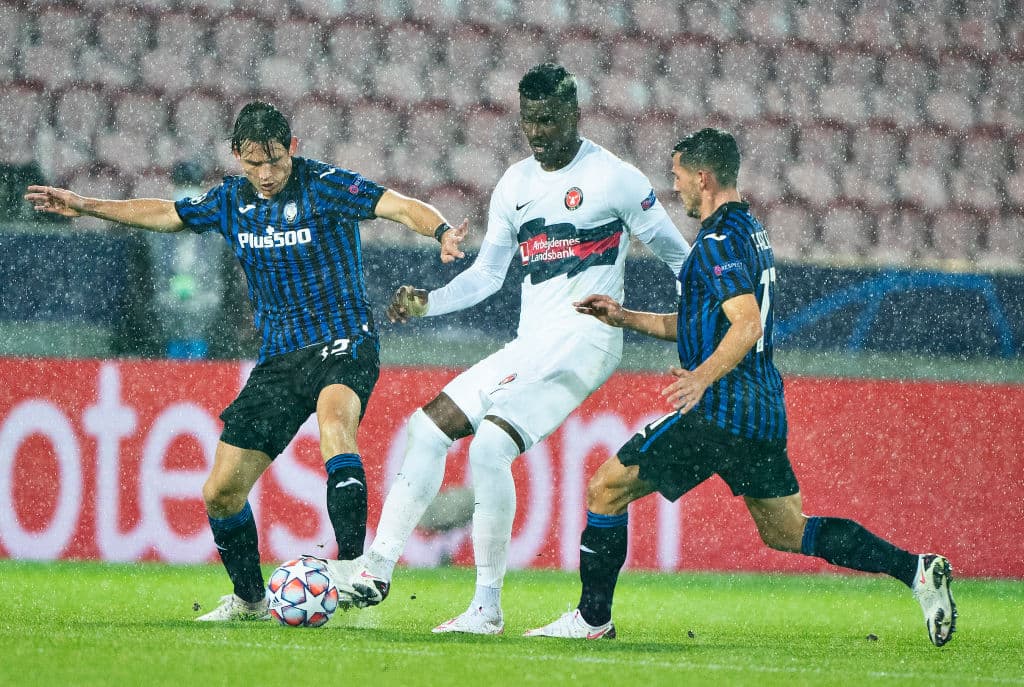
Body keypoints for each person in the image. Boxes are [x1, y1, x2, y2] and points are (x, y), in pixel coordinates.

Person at [25, 101, 468, 622]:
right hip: (280, 359)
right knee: (220, 492)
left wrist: (440, 233)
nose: (266, 174)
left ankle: (353, 569)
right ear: (238, 156)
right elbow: (167, 214)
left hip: (343, 342)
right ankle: (249, 601)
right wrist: (86, 204)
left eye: (276, 161)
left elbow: (398, 205)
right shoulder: (231, 201)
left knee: (335, 430)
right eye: (254, 163)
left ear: (292, 149)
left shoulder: (323, 184)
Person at [523, 128, 957, 647]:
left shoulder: (715, 243)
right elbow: (701, 321)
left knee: (605, 489)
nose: (676, 187)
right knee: (787, 531)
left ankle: (591, 620)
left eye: (679, 177)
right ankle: (916, 570)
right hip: (761, 411)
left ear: (702, 178)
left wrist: (702, 378)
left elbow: (746, 324)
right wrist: (624, 318)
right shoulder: (750, 230)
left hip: (722, 409)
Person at [324, 63, 691, 635]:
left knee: (489, 448)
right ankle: (376, 568)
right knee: (426, 429)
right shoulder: (515, 184)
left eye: (548, 121)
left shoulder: (616, 178)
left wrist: (696, 334)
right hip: (530, 344)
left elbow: (681, 259)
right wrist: (430, 302)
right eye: (529, 123)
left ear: (574, 114)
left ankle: (487, 606)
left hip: (587, 341)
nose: (538, 133)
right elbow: (487, 277)